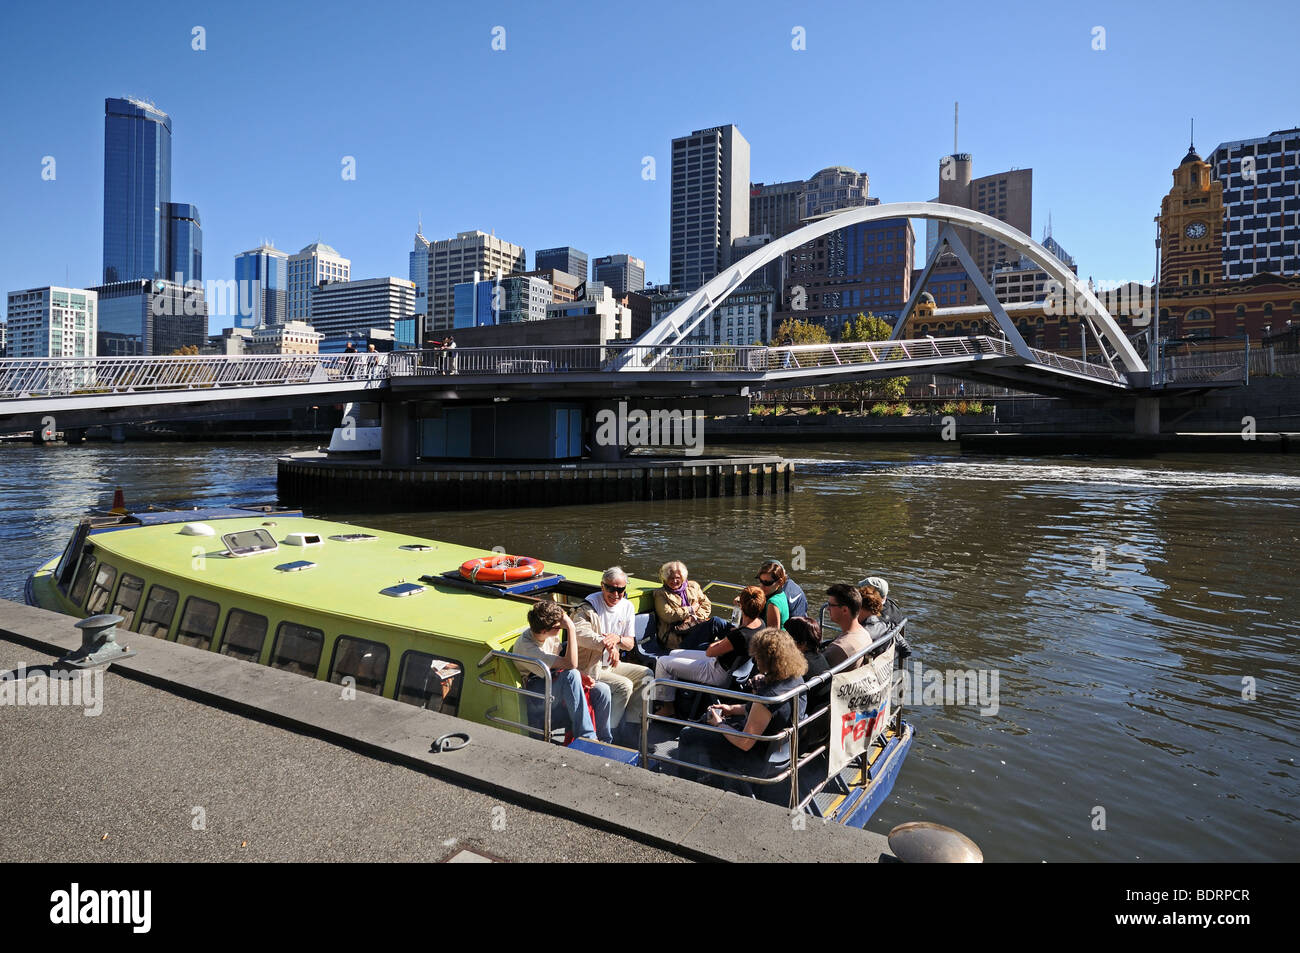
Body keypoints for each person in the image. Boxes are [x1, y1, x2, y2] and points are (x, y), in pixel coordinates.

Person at [678, 627, 808, 798]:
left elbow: (745, 742)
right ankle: (715, 780)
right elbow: (767, 714)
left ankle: (683, 789)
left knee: (688, 735)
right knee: (707, 727)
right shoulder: (796, 679)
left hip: (755, 759)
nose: (754, 660)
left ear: (767, 658)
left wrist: (719, 723)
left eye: (757, 656)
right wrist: (731, 709)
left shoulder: (769, 697)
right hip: (781, 752)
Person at [653, 585, 766, 720]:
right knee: (673, 654)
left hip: (717, 672)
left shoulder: (739, 635)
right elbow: (742, 631)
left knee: (662, 662)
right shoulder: (760, 624)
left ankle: (667, 707)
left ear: (741, 606)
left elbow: (710, 651)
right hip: (728, 667)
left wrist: (722, 640)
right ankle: (677, 699)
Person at [512, 601, 612, 743]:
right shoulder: (528, 649)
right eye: (558, 626)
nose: (561, 627)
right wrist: (571, 627)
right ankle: (587, 738)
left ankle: (605, 741)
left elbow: (563, 664)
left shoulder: (549, 634)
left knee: (603, 690)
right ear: (543, 631)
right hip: (538, 695)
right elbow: (570, 664)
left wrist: (583, 676)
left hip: (553, 681)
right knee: (572, 675)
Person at [575, 567, 652, 735]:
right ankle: (608, 733)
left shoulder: (627, 606)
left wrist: (617, 639)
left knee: (647, 675)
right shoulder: (588, 607)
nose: (616, 594)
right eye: (611, 589)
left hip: (611, 665)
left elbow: (629, 644)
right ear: (602, 586)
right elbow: (579, 633)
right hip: (590, 667)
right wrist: (607, 644)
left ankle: (632, 728)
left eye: (620, 590)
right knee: (624, 685)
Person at [785, 616, 830, 755]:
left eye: (787, 639)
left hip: (804, 736)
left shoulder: (799, 667)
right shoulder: (820, 658)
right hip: (822, 730)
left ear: (802, 644)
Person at [652, 560, 712, 650]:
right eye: (670, 578)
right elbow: (668, 615)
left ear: (683, 578)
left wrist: (693, 618)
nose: (674, 581)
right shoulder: (661, 594)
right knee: (715, 624)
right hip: (675, 635)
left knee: (715, 625)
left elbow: (706, 605)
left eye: (677, 577)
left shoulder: (693, 586)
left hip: (695, 626)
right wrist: (691, 609)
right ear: (665, 578)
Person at [861, 574, 912, 659]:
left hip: (876, 653)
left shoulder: (876, 618)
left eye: (863, 591)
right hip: (889, 652)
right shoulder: (892, 606)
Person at [822, 583, 869, 670]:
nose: (828, 608)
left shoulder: (839, 648)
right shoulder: (864, 633)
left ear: (844, 610)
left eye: (831, 605)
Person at [755, 560, 791, 630]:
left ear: (780, 582)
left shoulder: (773, 603)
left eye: (767, 583)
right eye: (760, 581)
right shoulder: (781, 593)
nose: (762, 586)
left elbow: (772, 635)